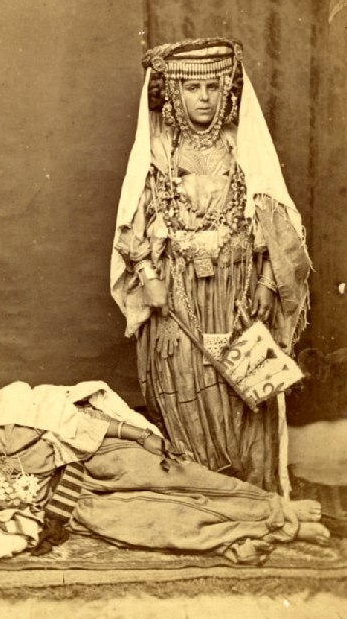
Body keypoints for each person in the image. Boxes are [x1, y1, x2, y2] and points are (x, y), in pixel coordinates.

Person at [0, 353, 328, 587]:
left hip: (92, 458)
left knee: (182, 477)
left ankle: (273, 505)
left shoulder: (10, 408)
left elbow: (76, 421)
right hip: (72, 505)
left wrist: (138, 434)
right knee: (164, 520)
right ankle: (281, 524)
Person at [111, 38, 311, 493]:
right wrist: (149, 278)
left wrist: (267, 282)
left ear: (228, 91)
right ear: (173, 93)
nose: (203, 98)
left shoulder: (244, 150)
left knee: (244, 393)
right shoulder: (158, 152)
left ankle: (251, 494)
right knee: (184, 383)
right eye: (192, 88)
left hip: (237, 291)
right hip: (176, 294)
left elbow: (273, 218)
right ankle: (205, 492)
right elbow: (132, 224)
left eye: (213, 87)